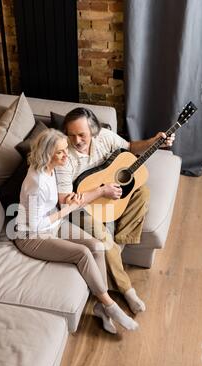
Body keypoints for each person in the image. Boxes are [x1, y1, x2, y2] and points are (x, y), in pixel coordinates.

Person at [14, 128, 139, 334]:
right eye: (61, 152)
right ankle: (110, 306)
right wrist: (67, 210)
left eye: (65, 150)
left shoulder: (50, 169)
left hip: (53, 224)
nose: (66, 155)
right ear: (47, 154)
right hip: (31, 236)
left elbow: (59, 201)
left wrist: (70, 201)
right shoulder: (36, 183)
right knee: (82, 254)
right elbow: (36, 225)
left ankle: (101, 307)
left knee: (97, 246)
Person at [55, 107, 175, 314]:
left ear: (93, 131)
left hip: (106, 194)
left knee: (143, 193)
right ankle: (127, 290)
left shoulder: (105, 137)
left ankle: (116, 247)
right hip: (79, 205)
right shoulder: (64, 156)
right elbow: (66, 202)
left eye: (82, 134)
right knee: (102, 238)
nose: (77, 140)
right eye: (71, 135)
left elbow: (131, 147)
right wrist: (101, 190)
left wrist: (154, 141)